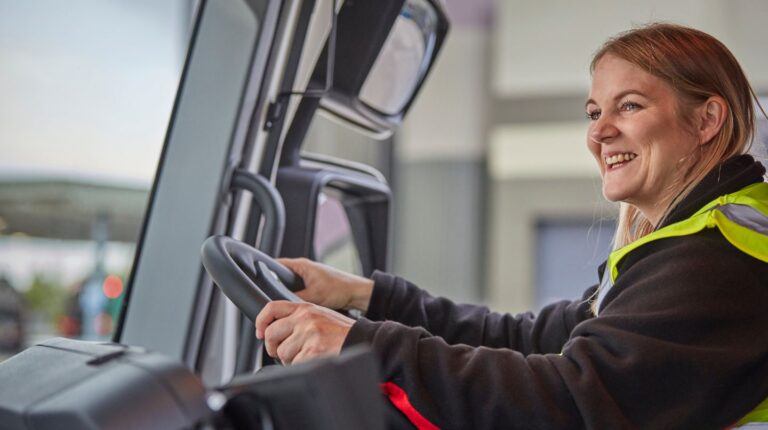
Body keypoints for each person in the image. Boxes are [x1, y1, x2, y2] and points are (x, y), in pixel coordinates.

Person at [255, 23, 768, 428]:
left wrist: (368, 344)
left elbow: (570, 399)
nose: (599, 132)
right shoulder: (682, 245)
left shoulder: (715, 257)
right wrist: (363, 296)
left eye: (629, 106)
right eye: (594, 112)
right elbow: (530, 338)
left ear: (706, 120)